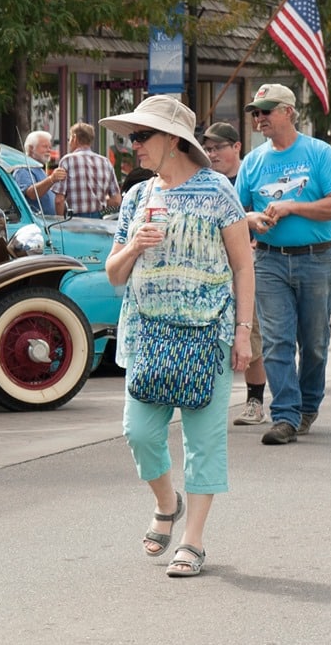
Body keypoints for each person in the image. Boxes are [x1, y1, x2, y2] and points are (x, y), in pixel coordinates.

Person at [102, 94, 255, 579]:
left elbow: (243, 264)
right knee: (139, 433)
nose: (134, 146)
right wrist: (132, 247)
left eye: (141, 136)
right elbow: (112, 275)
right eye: (131, 137)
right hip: (148, 333)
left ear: (173, 140)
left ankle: (193, 541)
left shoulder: (218, 192)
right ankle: (168, 504)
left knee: (204, 440)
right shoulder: (137, 197)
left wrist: (243, 332)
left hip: (208, 332)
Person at [236, 82, 331, 445]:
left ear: (288, 111)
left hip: (316, 259)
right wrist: (254, 219)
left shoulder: (318, 153)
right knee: (276, 342)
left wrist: (292, 206)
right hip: (268, 261)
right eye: (256, 112)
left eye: (266, 111)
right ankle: (285, 415)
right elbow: (236, 212)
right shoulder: (253, 162)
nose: (259, 118)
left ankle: (308, 406)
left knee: (314, 343)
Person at [199, 122, 271, 424]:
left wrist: (254, 224)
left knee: (251, 335)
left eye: (218, 147)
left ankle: (255, 401)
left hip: (247, 266)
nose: (212, 153)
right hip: (212, 269)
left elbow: (265, 216)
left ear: (236, 146)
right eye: (208, 148)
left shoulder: (249, 175)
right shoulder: (205, 181)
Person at [59, 122, 122, 218]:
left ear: (74, 138)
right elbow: (117, 200)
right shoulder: (105, 162)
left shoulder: (67, 160)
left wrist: (58, 222)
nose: (69, 142)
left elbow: (59, 200)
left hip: (73, 220)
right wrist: (98, 201)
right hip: (98, 219)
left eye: (69, 139)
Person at [15, 131, 64, 216]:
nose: (49, 150)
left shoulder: (38, 169)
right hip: (37, 224)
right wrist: (51, 179)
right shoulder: (23, 169)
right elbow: (31, 193)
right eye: (45, 146)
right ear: (31, 148)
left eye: (50, 147)